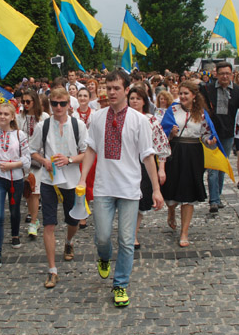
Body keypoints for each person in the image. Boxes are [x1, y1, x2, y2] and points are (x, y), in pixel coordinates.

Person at [78, 70, 164, 307]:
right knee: (102, 236)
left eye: (117, 88)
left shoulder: (140, 120)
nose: (112, 92)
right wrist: (83, 178)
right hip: (104, 187)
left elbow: (148, 156)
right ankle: (104, 257)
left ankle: (120, 284)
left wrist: (156, 189)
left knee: (126, 240)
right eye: (109, 88)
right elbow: (91, 149)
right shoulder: (97, 117)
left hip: (129, 188)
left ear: (127, 90)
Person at [30, 88, 87, 289]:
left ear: (69, 104)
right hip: (49, 181)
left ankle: (69, 241)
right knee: (49, 224)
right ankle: (52, 270)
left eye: (62, 103)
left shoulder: (78, 125)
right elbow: (32, 150)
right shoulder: (43, 126)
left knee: (73, 221)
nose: (59, 107)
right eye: (54, 103)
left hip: (72, 181)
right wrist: (44, 161)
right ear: (50, 104)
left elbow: (86, 153)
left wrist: (70, 159)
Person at [161, 81, 217, 247]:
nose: (183, 96)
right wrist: (170, 132)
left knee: (188, 194)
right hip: (175, 152)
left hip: (193, 154)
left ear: (194, 95)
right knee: (171, 190)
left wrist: (210, 141)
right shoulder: (172, 110)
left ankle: (184, 232)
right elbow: (161, 133)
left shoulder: (201, 113)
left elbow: (206, 134)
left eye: (186, 93)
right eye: (181, 93)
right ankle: (171, 211)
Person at [0, 103, 31, 270]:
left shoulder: (19, 135)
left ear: (12, 117)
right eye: (0, 113)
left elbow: (27, 158)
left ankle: (15, 233)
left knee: (14, 209)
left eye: (6, 114)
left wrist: (13, 165)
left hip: (15, 177)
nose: (2, 117)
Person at [202, 61, 239, 213]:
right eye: (222, 74)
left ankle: (217, 196)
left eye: (227, 73)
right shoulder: (208, 89)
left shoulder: (237, 91)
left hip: (228, 133)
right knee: (213, 167)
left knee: (222, 166)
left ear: (232, 75)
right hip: (211, 133)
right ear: (216, 74)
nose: (225, 76)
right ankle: (214, 200)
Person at [127, 87, 170, 250]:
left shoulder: (151, 120)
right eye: (132, 98)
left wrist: (161, 168)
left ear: (144, 101)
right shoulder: (123, 118)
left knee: (140, 200)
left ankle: (133, 234)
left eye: (138, 98)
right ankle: (127, 232)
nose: (134, 101)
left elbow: (161, 145)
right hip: (126, 163)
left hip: (145, 163)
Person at [16, 89, 49, 238]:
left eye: (28, 101)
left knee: (35, 191)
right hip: (23, 158)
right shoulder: (19, 117)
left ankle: (34, 222)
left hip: (38, 158)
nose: (25, 104)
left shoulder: (44, 117)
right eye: (23, 101)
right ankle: (32, 214)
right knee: (28, 191)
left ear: (35, 101)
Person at [73, 87, 96, 229]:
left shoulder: (95, 114)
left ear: (89, 98)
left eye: (85, 96)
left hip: (91, 151)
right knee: (78, 181)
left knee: (88, 181)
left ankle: (85, 211)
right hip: (77, 152)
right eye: (80, 95)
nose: (82, 98)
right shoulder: (73, 115)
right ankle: (81, 213)